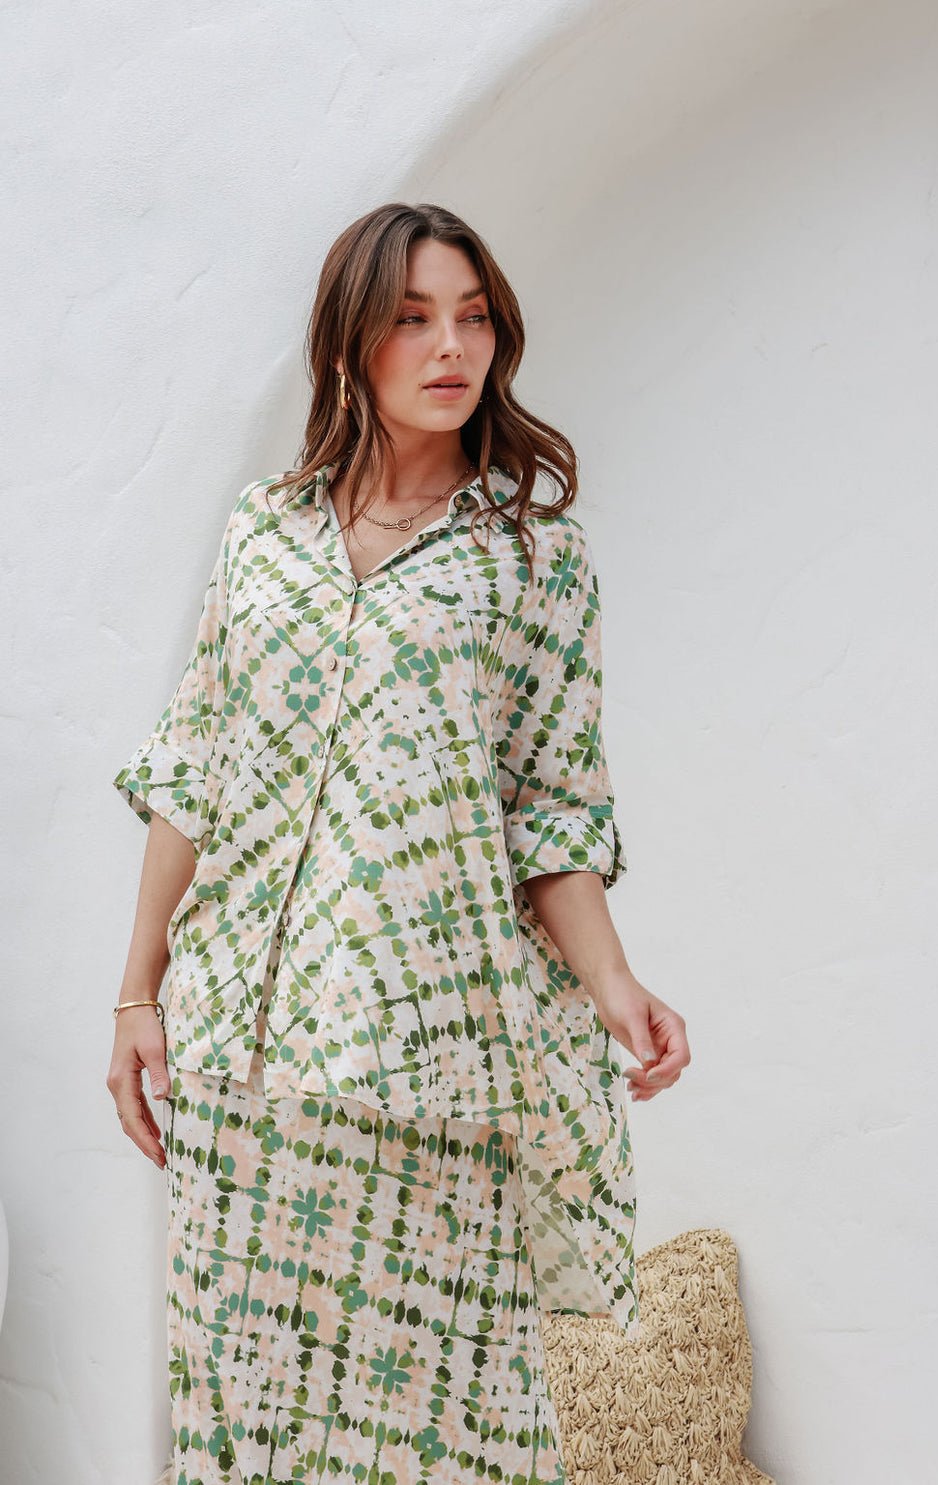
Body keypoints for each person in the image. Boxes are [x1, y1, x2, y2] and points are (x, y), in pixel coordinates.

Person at [106, 202, 690, 1485]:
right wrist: (138, 994)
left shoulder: (533, 559)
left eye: (474, 318)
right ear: (347, 345)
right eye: (415, 318)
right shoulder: (264, 529)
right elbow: (193, 761)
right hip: (240, 1058)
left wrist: (615, 987)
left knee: (455, 1434)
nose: (452, 347)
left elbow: (553, 810)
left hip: (430, 1062)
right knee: (247, 1421)